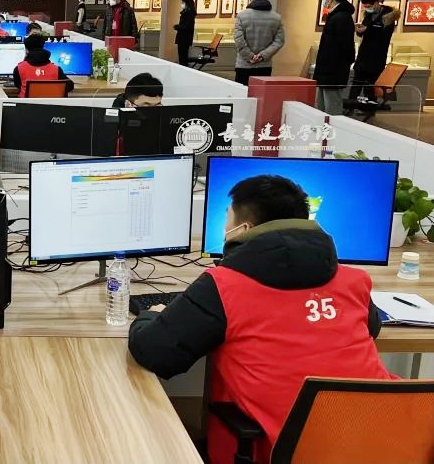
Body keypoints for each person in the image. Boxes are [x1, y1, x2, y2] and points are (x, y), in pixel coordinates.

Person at [128, 174, 392, 464]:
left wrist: (150, 316)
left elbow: (156, 352)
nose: (224, 227)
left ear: (244, 229)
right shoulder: (354, 280)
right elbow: (372, 328)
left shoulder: (224, 286)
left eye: (226, 218)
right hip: (387, 443)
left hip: (283, 452)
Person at [314, 0, 356, 114]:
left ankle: (331, 128)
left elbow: (345, 46)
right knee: (322, 106)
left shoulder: (342, 17)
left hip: (333, 70)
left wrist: (334, 66)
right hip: (327, 70)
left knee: (332, 107)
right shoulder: (335, 16)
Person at [350, 0, 399, 101]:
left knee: (371, 87)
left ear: (376, 3)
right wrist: (359, 30)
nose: (367, 9)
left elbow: (384, 35)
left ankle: (369, 107)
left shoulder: (388, 16)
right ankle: (351, 106)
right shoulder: (368, 15)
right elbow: (364, 31)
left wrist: (368, 29)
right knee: (356, 85)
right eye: (365, 7)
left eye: (369, 6)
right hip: (363, 56)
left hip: (377, 57)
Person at [233, 0, 285, 85]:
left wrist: (250, 56)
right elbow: (279, 41)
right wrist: (262, 56)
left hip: (244, 65)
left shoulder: (242, 16)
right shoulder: (276, 17)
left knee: (242, 92)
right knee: (261, 94)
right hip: (264, 65)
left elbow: (239, 39)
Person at [174, 0, 197, 66]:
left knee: (183, 57)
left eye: (183, 3)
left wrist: (178, 27)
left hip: (184, 38)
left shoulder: (189, 14)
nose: (182, 4)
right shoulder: (186, 13)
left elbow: (187, 26)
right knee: (182, 57)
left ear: (187, 4)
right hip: (182, 38)